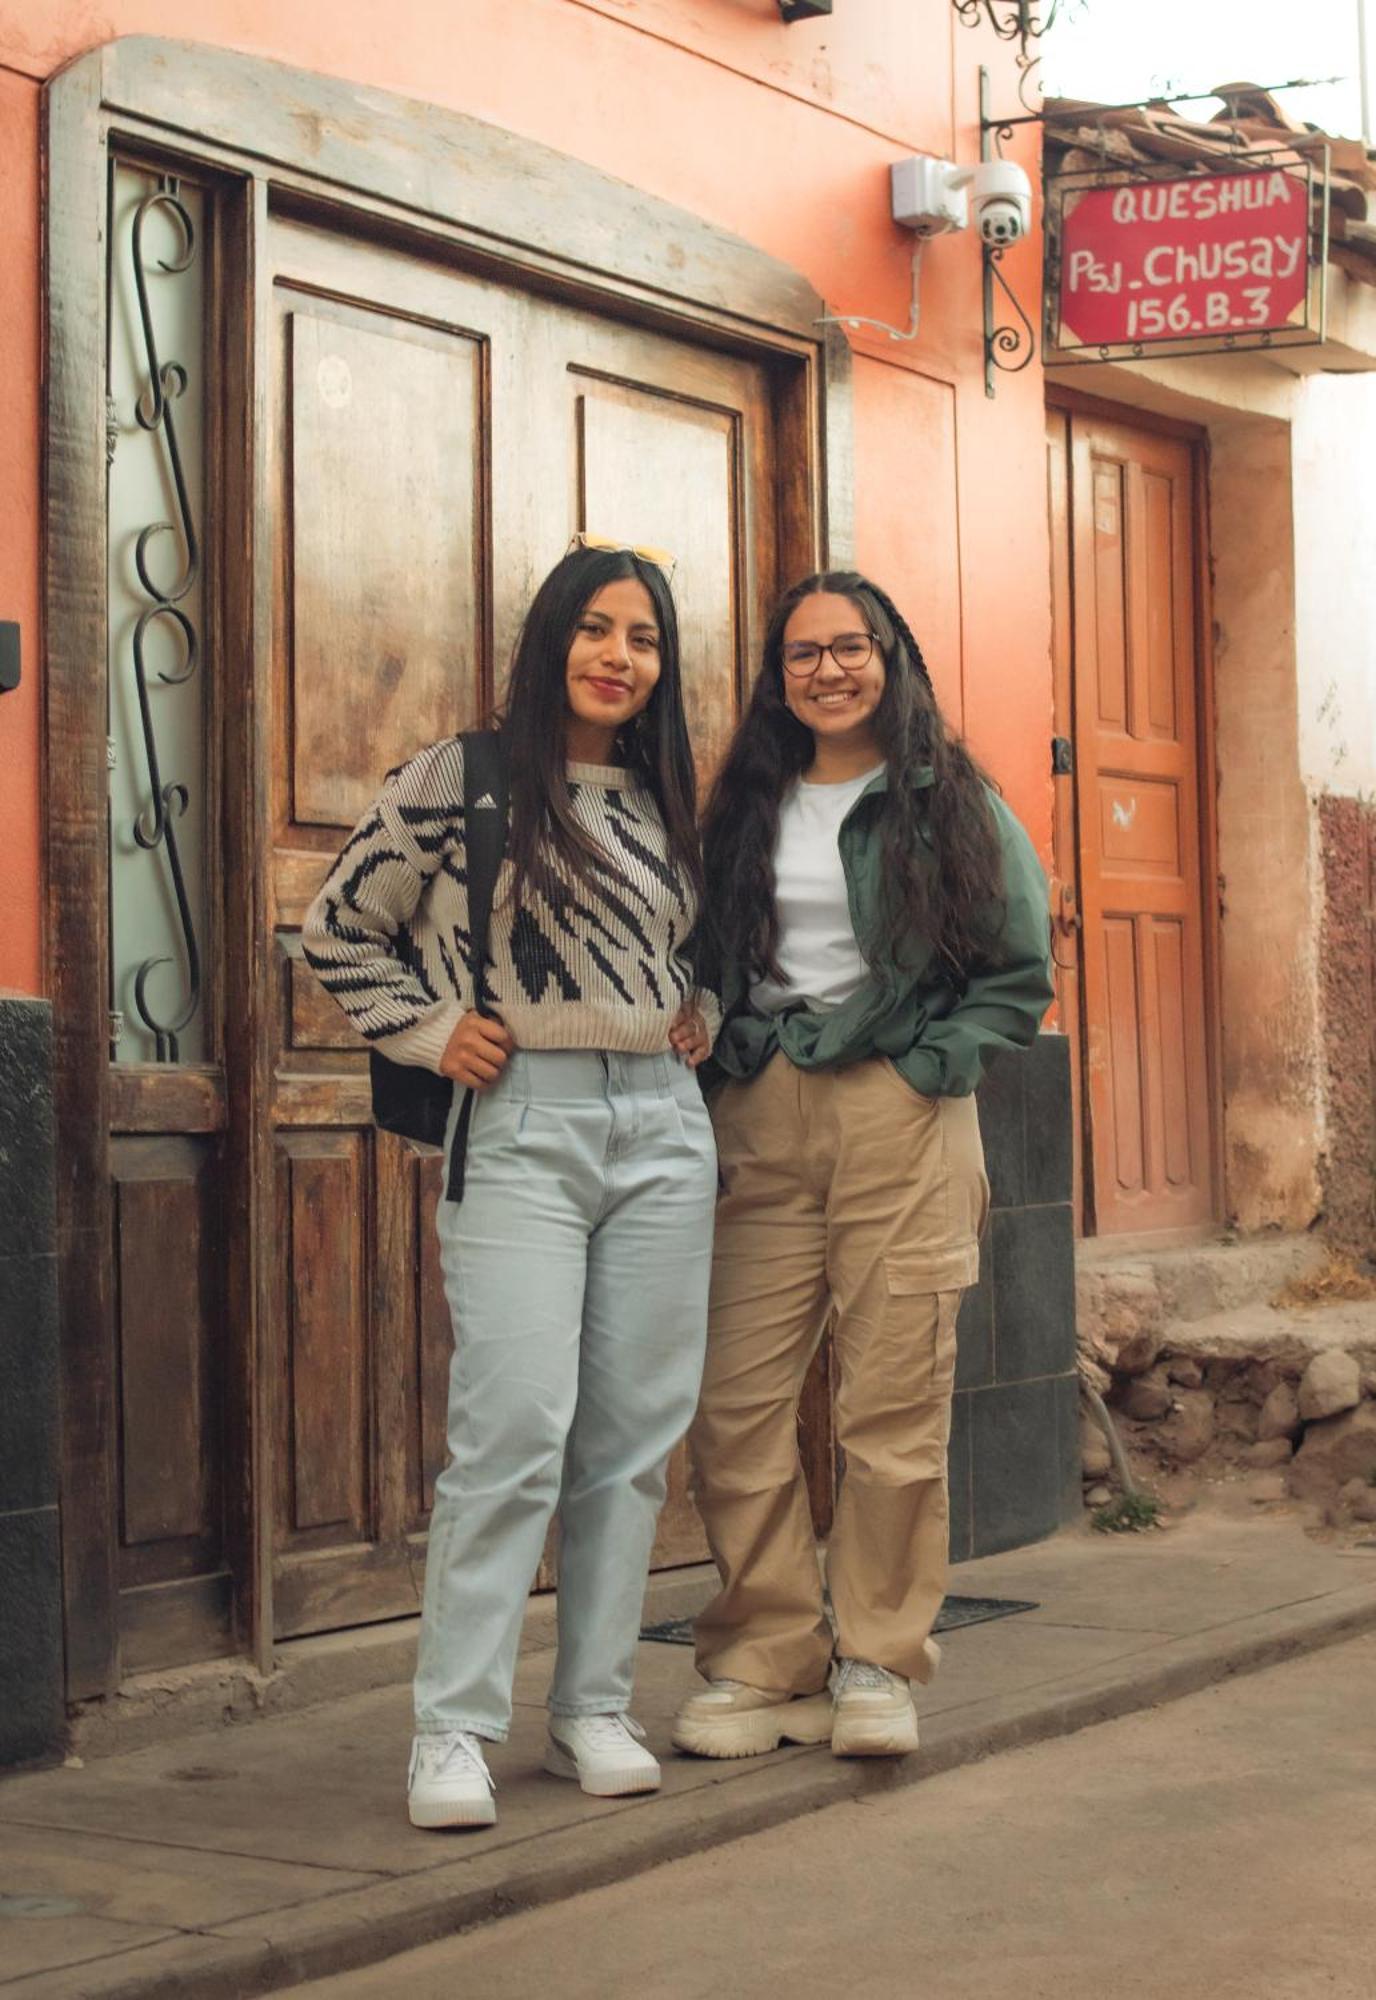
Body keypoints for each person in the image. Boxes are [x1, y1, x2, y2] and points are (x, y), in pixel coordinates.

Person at [303, 541, 717, 1829]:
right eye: (595, 629)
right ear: (551, 642)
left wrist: (693, 1004)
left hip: (663, 1126)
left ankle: (592, 1704)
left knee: (634, 1440)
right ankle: (453, 1729)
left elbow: (688, 948)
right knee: (515, 1432)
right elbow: (335, 927)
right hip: (521, 1124)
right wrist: (431, 1031)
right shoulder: (463, 777)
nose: (618, 655)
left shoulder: (668, 796)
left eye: (642, 638)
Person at [673, 569, 1052, 1763]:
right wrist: (721, 1043)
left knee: (891, 1405)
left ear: (892, 657)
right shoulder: (741, 803)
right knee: (734, 1403)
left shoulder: (952, 802)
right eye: (802, 654)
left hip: (901, 1111)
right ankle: (766, 1657)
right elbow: (701, 949)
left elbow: (1017, 970)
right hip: (758, 1111)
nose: (827, 669)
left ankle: (877, 1659)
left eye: (851, 647)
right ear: (776, 676)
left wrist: (929, 1065)